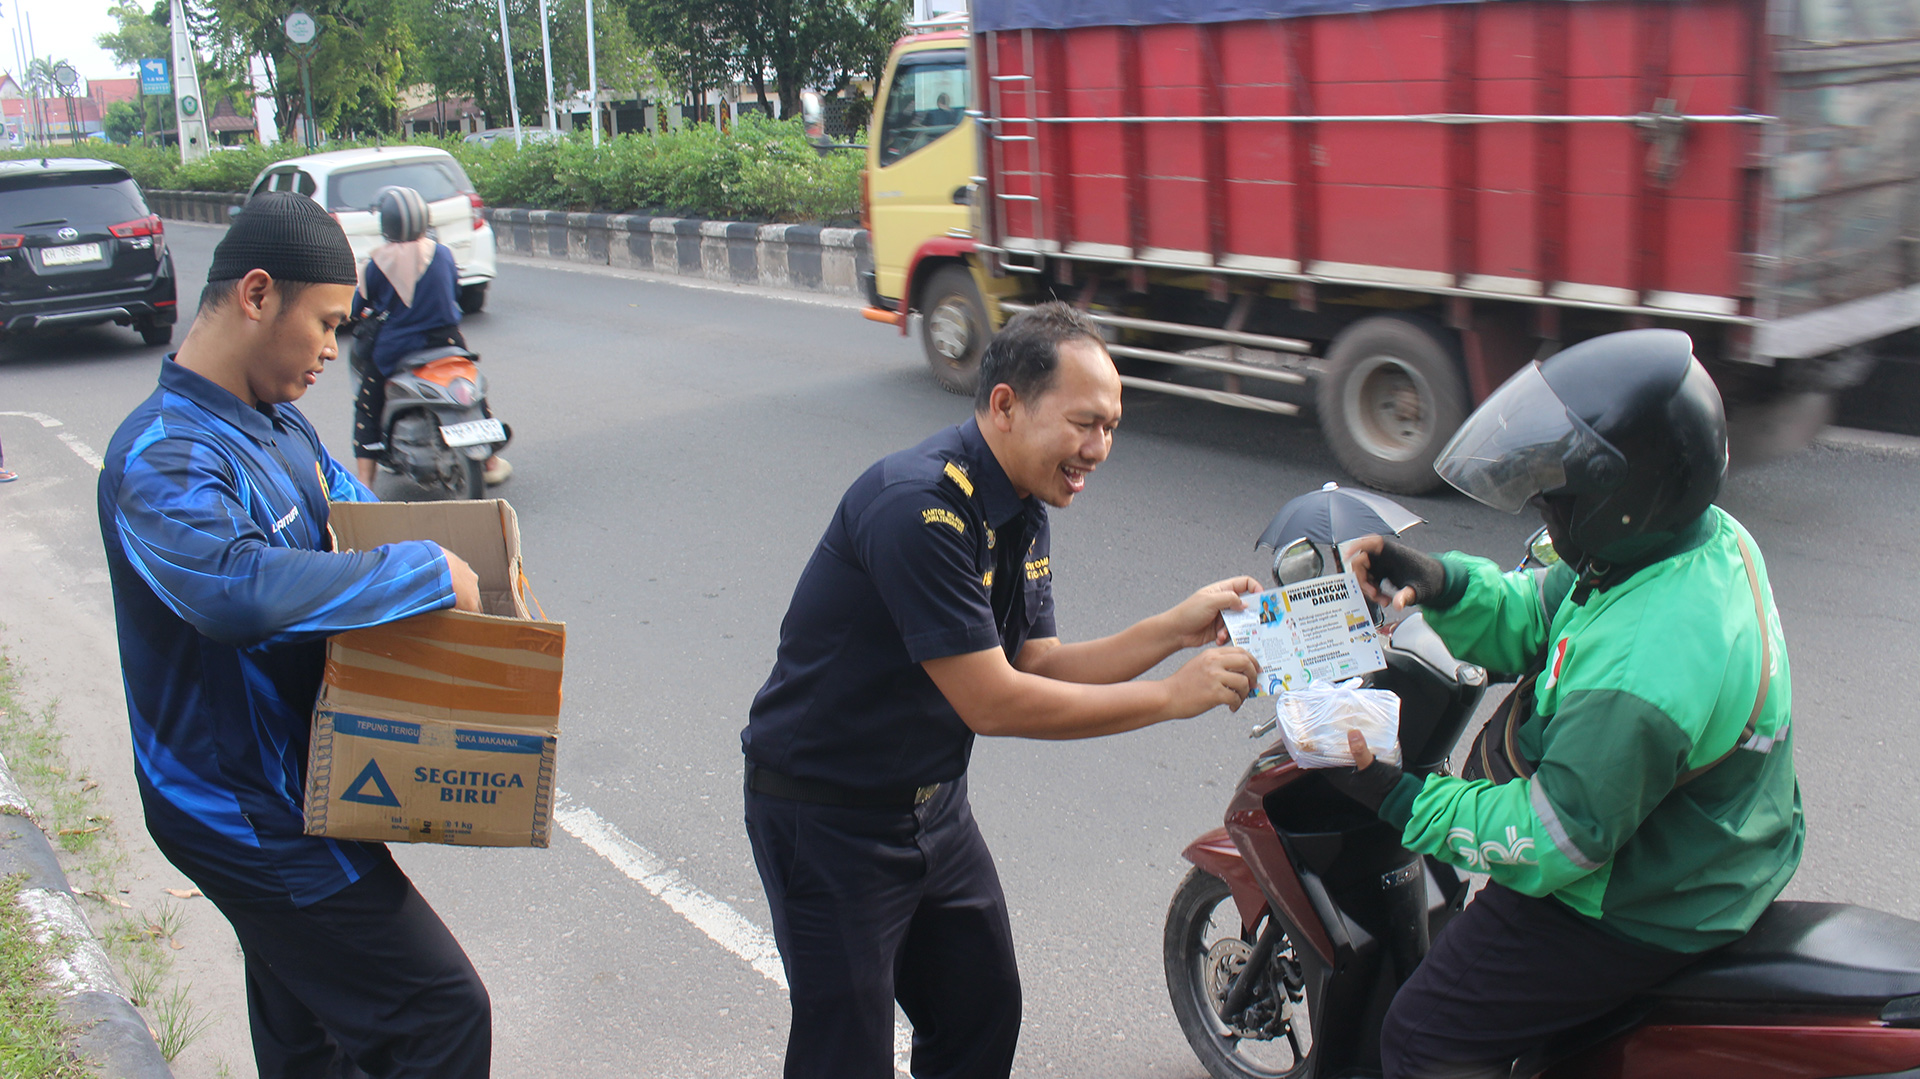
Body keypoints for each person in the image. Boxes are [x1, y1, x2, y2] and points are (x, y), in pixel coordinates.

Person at [741, 301, 1265, 1079]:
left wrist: (1172, 627)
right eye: (1085, 422)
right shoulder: (917, 507)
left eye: (1112, 426)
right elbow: (994, 701)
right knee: (844, 1051)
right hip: (827, 817)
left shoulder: (1022, 500)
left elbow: (1038, 663)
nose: (1099, 448)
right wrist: (1170, 696)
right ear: (1006, 406)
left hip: (932, 806)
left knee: (981, 1008)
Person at [1331, 329, 1803, 1079]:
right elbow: (1548, 607)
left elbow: (1557, 839)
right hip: (1713, 850)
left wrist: (1400, 798)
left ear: (1627, 495)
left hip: (1638, 899)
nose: (1549, 504)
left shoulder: (1646, 663)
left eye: (1566, 489)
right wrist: (1446, 582)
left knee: (1421, 1035)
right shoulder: (1687, 543)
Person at [96, 191, 493, 1079]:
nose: (332, 349)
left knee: (310, 1034)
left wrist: (481, 570)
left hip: (308, 774)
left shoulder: (279, 427)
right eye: (323, 323)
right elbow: (231, 590)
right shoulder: (163, 454)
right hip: (239, 809)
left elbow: (356, 530)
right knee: (439, 1012)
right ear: (257, 294)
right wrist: (427, 571)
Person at [350, 185, 508, 488]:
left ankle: (365, 483)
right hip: (448, 342)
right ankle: (490, 460)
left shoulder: (378, 264)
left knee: (367, 405)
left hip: (397, 350)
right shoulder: (443, 254)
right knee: (472, 386)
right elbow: (456, 292)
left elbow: (359, 307)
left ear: (388, 224)